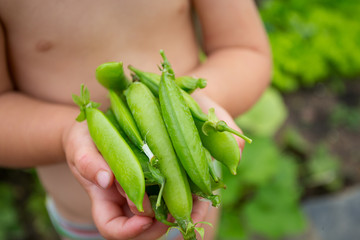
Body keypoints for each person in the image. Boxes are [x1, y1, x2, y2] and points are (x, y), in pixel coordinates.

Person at [0, 0, 271, 239]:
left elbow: (244, 49)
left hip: (195, 200)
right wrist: (66, 133)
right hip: (86, 224)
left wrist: (188, 104)